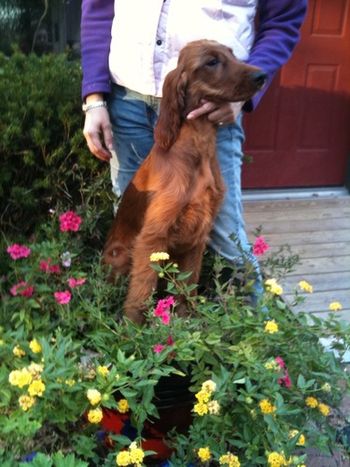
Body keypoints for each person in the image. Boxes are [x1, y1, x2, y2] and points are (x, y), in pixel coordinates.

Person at [80, 0, 307, 299]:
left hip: (211, 113)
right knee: (133, 229)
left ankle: (258, 335)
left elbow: (284, 20)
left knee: (229, 243)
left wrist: (243, 93)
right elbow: (99, 10)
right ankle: (136, 329)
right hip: (128, 103)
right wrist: (95, 97)